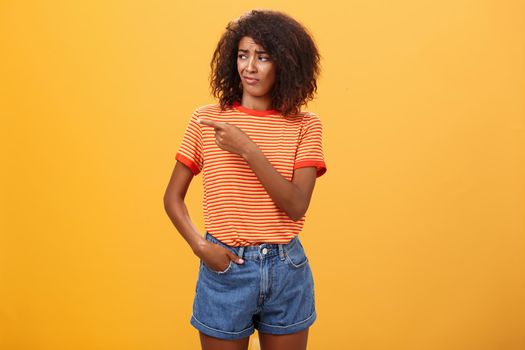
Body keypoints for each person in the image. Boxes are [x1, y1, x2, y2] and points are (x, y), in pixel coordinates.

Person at [163, 9, 327, 350]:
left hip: (287, 270)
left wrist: (247, 149)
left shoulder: (306, 125)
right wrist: (200, 246)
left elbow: (296, 206)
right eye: (243, 55)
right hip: (225, 269)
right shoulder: (206, 120)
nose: (249, 67)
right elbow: (172, 197)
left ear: (285, 63)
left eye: (263, 57)